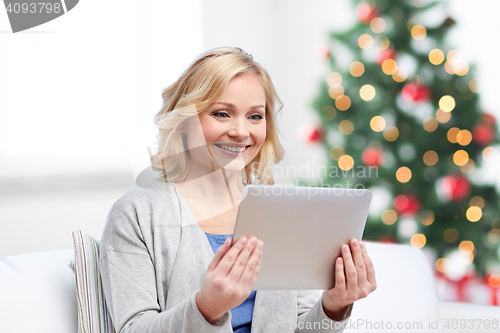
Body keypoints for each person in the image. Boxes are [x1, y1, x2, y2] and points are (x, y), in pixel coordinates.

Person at [99, 47, 377, 333]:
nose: (241, 132)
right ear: (183, 122)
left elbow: (299, 326)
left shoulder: (282, 211)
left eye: (255, 117)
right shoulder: (137, 214)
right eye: (222, 114)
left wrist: (333, 306)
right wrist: (206, 308)